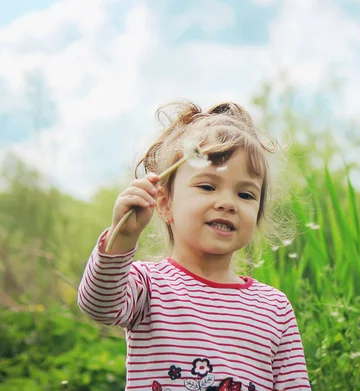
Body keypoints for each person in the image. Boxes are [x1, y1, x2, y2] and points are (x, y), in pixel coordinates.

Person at [77, 101, 311, 391]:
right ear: (164, 202)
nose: (227, 202)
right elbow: (98, 304)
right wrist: (123, 237)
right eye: (208, 187)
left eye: (245, 194)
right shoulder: (148, 286)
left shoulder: (274, 308)